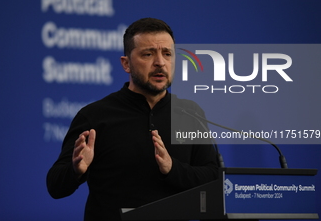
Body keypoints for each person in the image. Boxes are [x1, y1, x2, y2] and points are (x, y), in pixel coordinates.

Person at [46, 18, 218, 220]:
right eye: (148, 54)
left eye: (167, 54)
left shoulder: (190, 113)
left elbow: (213, 179)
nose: (160, 62)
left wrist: (173, 169)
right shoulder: (95, 116)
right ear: (126, 64)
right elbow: (55, 186)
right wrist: (76, 170)